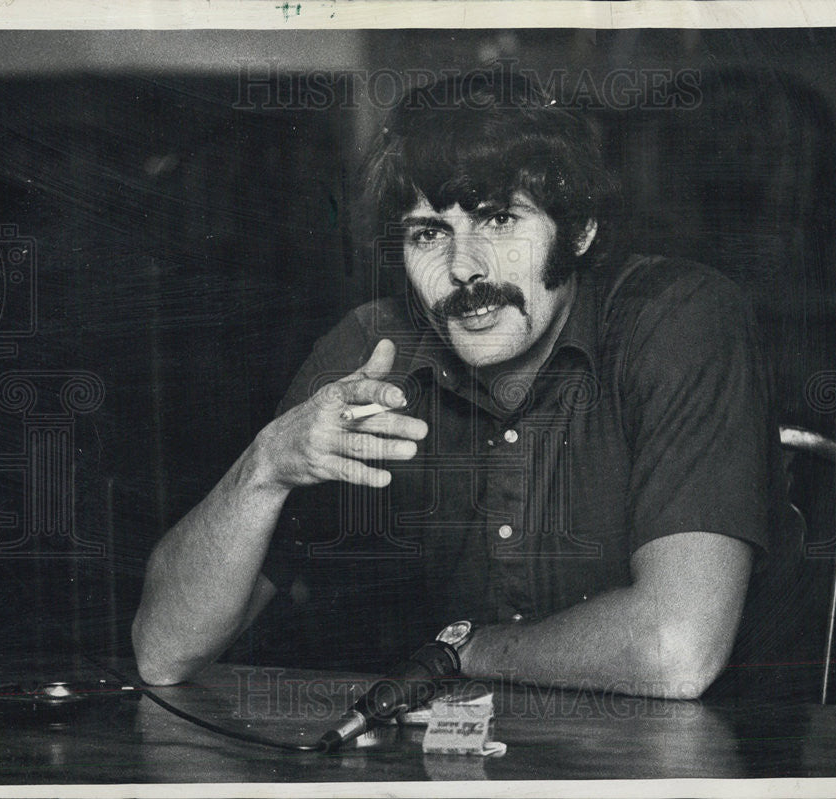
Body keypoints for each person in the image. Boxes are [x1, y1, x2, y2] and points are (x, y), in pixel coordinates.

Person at [132, 70, 785, 700]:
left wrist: (460, 648)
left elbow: (676, 650)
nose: (463, 267)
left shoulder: (679, 317)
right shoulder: (370, 349)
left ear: (581, 229)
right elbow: (163, 651)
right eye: (429, 232)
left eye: (498, 220)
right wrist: (265, 467)